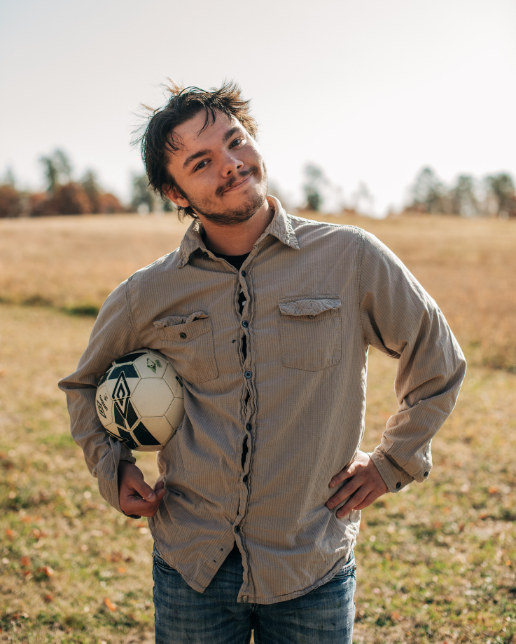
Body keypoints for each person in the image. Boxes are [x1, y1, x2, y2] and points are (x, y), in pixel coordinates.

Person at [59, 82, 466, 644]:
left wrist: (391, 463)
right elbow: (83, 385)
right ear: (175, 193)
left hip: (310, 565)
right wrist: (116, 468)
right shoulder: (147, 294)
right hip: (191, 568)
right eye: (202, 162)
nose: (230, 165)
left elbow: (438, 361)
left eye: (236, 142)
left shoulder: (351, 258)